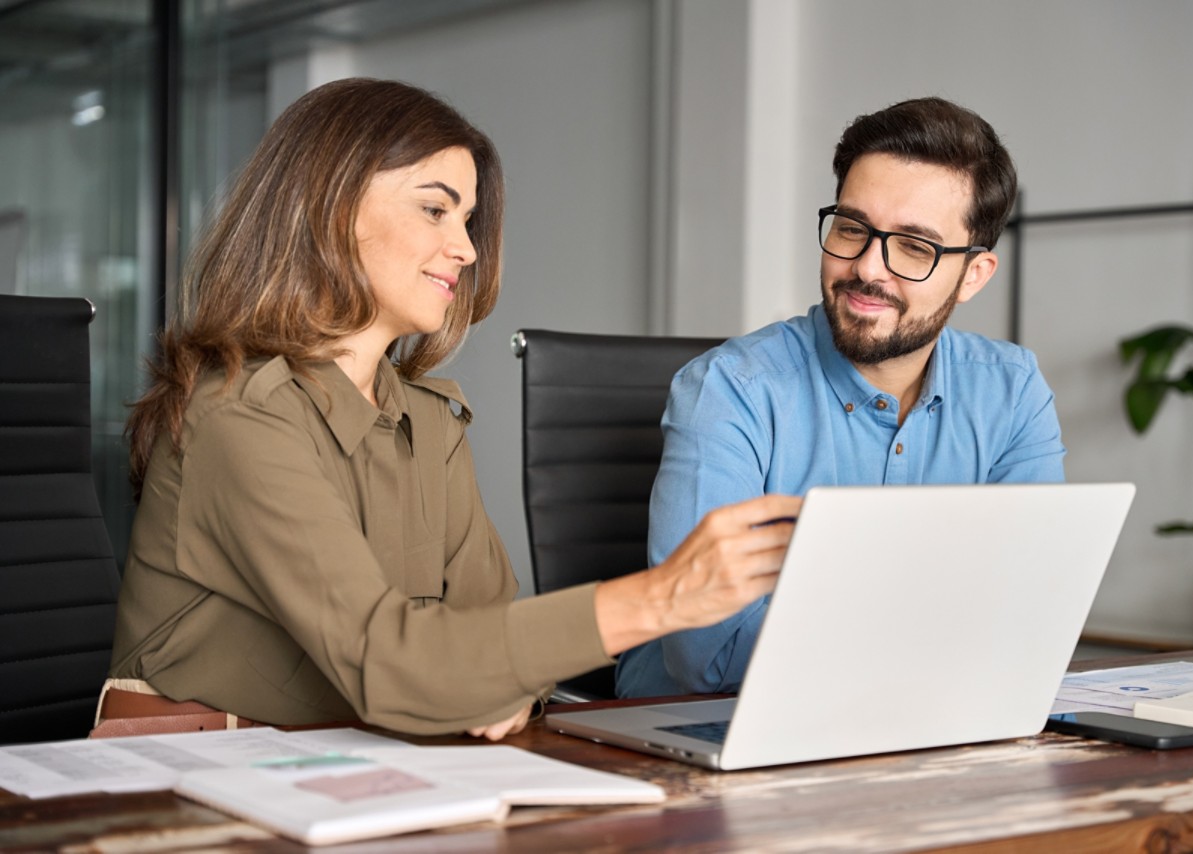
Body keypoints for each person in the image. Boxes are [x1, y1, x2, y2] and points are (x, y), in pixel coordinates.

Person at [100, 78, 799, 741]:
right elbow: (394, 662)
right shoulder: (237, 416)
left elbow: (490, 640)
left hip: (365, 760)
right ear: (327, 206)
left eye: (467, 219)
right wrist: (660, 598)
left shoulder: (428, 421)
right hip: (195, 775)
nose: (465, 248)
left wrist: (488, 677)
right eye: (435, 209)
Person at [615, 97, 1066, 698]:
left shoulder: (1012, 392)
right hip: (705, 732)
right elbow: (709, 654)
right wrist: (942, 619)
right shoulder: (728, 391)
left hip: (923, 724)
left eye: (914, 246)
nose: (868, 268)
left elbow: (1033, 618)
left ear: (974, 275)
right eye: (852, 228)